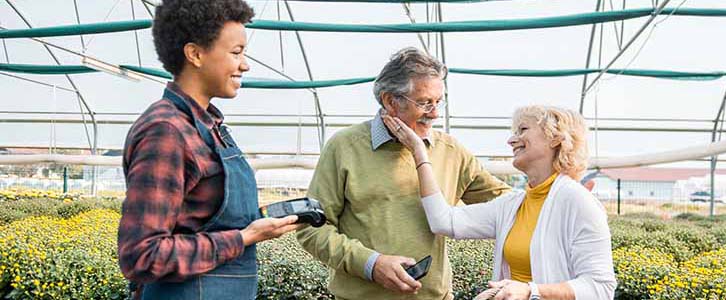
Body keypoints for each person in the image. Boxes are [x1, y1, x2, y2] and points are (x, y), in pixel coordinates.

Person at [117, 1, 301, 299]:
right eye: (236, 52)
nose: (245, 64)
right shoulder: (167, 131)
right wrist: (244, 237)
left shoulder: (208, 126)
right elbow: (142, 254)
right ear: (196, 54)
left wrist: (256, 225)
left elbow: (201, 219)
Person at [295, 47, 511, 300]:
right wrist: (371, 264)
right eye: (424, 102)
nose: (435, 113)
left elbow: (510, 206)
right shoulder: (344, 147)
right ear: (389, 100)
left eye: (438, 102)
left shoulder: (451, 151)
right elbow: (311, 228)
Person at [383, 104, 616, 300]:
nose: (511, 140)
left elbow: (600, 287)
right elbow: (443, 221)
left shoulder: (577, 201)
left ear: (556, 138)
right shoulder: (513, 204)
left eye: (523, 129)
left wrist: (530, 291)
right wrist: (420, 154)